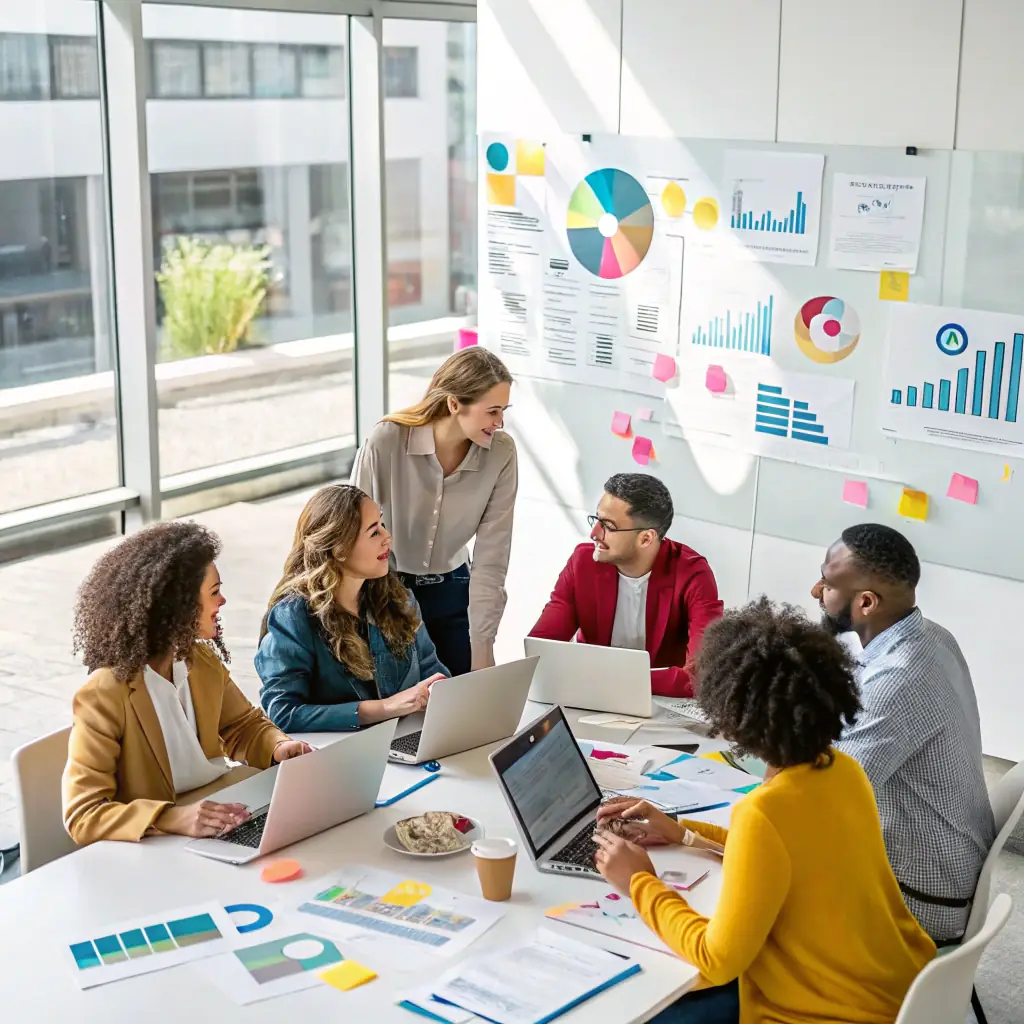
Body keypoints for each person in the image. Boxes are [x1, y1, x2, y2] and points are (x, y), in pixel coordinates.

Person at [593, 598, 935, 1024]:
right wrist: (682, 832)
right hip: (900, 990)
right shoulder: (843, 771)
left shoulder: (763, 813)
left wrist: (640, 881)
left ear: (729, 715)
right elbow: (785, 856)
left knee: (640, 1004)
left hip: (824, 1012)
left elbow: (716, 959)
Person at [62, 522, 311, 846]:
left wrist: (278, 747)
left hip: (220, 816)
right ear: (175, 608)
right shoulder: (105, 693)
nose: (223, 600)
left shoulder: (199, 661)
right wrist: (170, 817)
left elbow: (242, 725)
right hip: (160, 844)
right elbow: (83, 814)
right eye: (213, 592)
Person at [813, 523, 995, 943]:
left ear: (866, 602)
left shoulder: (899, 676)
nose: (816, 590)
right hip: (943, 862)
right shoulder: (929, 637)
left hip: (919, 899)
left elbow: (824, 792)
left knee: (751, 878)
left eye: (827, 581)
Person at [351, 347, 516, 676]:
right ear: (455, 404)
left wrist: (483, 647)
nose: (500, 423)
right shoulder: (387, 441)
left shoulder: (501, 454)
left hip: (454, 591)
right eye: (492, 411)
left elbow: (492, 557)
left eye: (504, 410)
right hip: (387, 590)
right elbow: (352, 533)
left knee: (464, 703)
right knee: (400, 710)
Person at [256, 483, 449, 733]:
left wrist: (440, 692)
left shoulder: (400, 599)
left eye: (382, 524)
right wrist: (385, 708)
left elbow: (432, 671)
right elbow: (282, 712)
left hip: (410, 742)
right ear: (339, 548)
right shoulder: (293, 617)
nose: (387, 536)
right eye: (373, 532)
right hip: (343, 759)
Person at [529, 473, 722, 697]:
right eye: (596, 520)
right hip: (591, 700)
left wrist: (608, 680)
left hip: (659, 705)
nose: (594, 534)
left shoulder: (693, 574)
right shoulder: (582, 564)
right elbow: (540, 652)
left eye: (608, 526)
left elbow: (703, 676)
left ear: (646, 539)